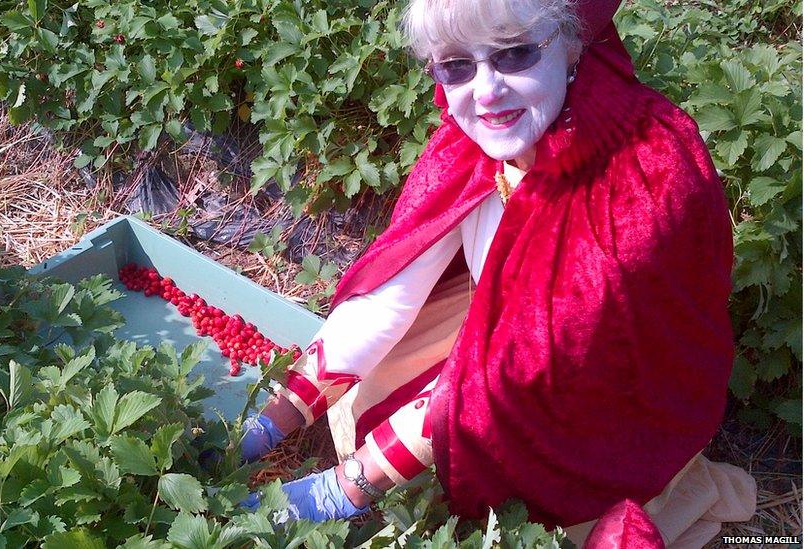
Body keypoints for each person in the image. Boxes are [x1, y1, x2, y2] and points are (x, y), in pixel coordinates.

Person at [242, 0, 757, 545]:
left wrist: (348, 487)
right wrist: (272, 420)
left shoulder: (638, 184)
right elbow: (394, 291)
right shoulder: (471, 144)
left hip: (612, 395)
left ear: (574, 45)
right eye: (457, 66)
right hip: (512, 342)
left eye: (515, 54)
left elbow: (524, 372)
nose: (486, 92)